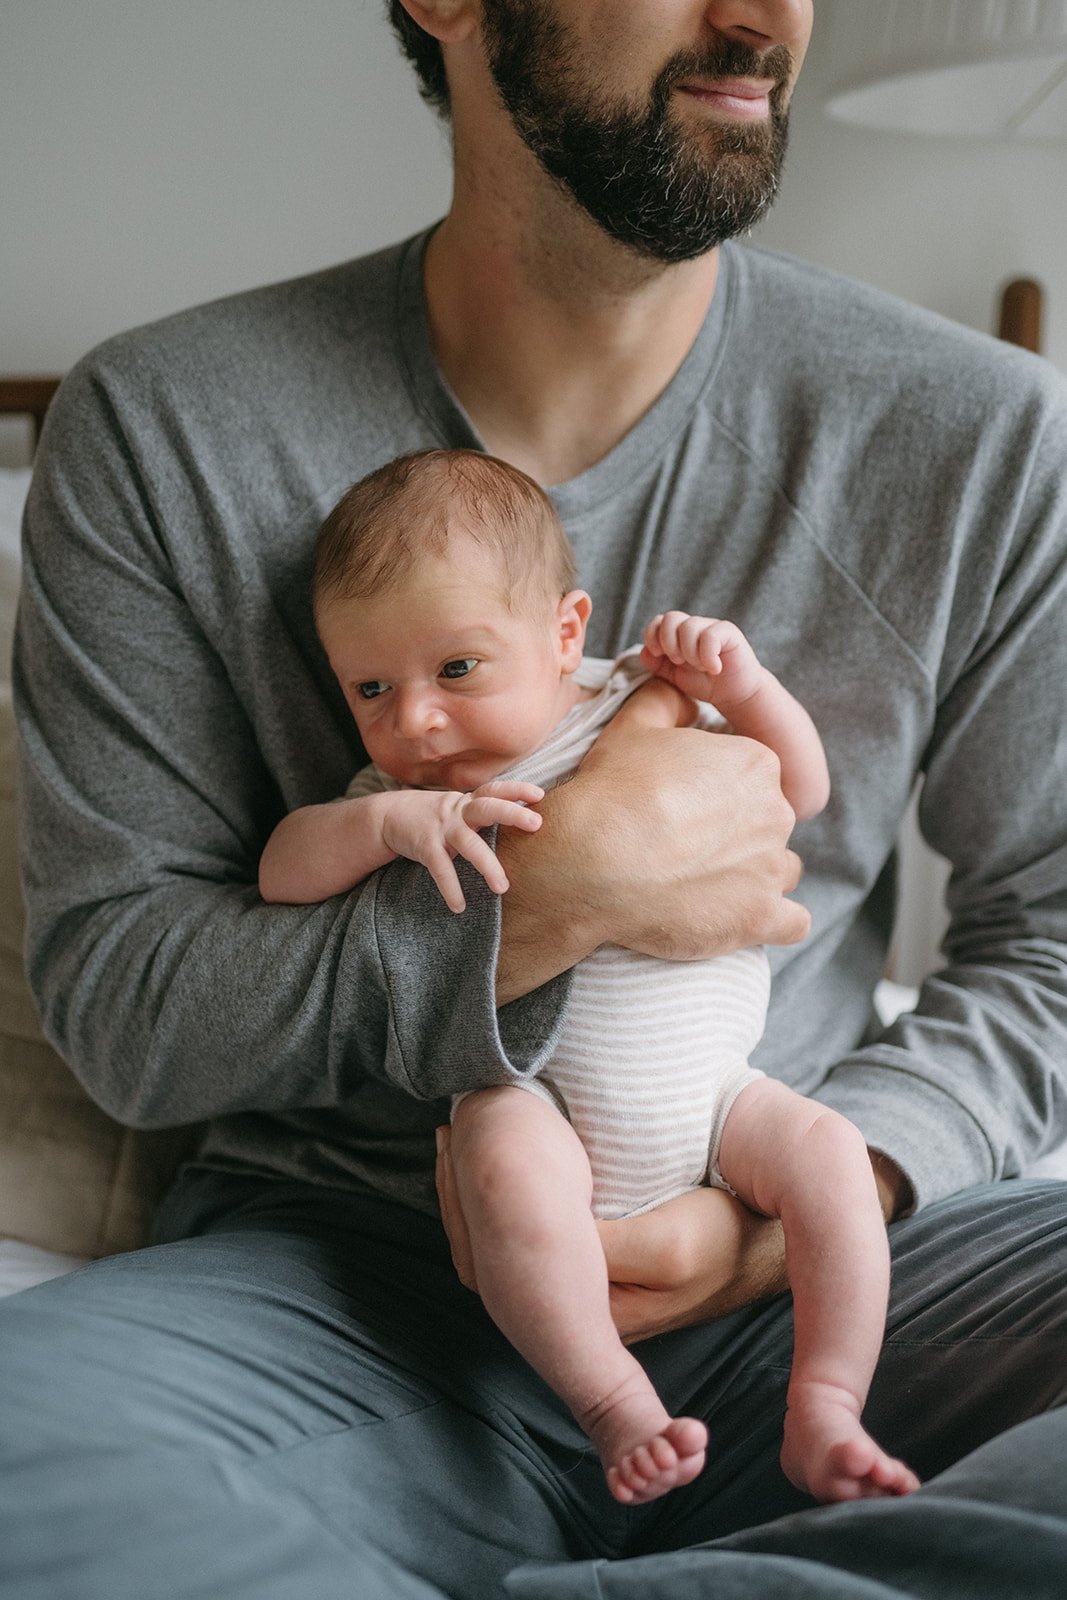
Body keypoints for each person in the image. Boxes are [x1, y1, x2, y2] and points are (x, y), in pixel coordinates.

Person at [3, 1, 1067, 1595]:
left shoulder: (980, 439)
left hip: (815, 1251)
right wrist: (554, 895)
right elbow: (131, 1012)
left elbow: (1047, 941)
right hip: (342, 1295)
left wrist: (803, 1206)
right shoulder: (167, 430)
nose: (759, 12)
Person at [260, 446, 915, 1505]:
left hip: (715, 1098)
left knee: (834, 1154)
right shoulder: (395, 788)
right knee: (498, 1164)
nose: (415, 719)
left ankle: (827, 1397)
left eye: (456, 670)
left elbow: (796, 787)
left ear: (566, 633)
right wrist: (382, 820)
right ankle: (612, 1402)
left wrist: (741, 687)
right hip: (538, 1092)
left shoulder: (631, 702)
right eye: (370, 687)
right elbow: (282, 871)